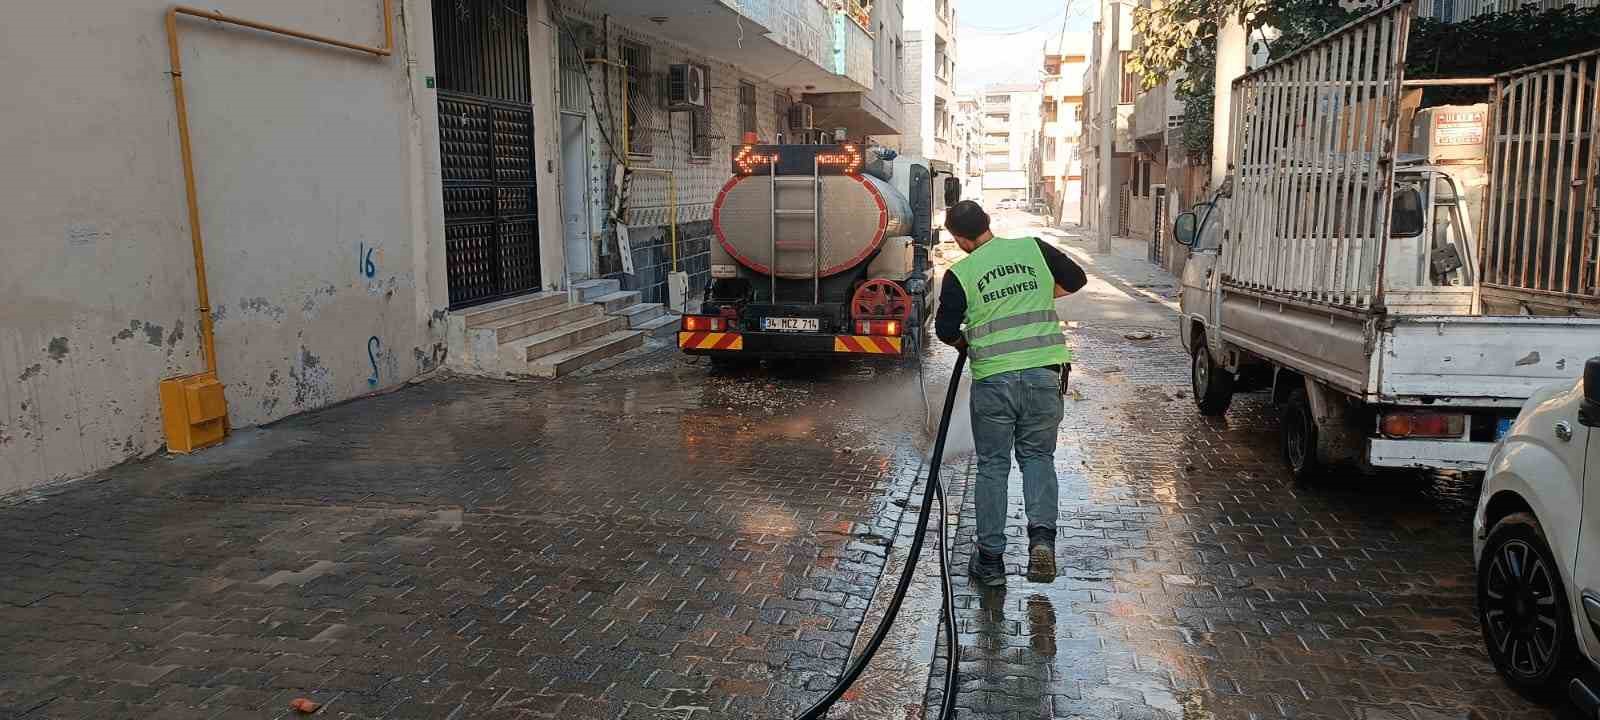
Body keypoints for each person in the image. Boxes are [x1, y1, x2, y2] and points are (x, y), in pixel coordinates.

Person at [935, 200, 1086, 586]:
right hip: (1043, 375)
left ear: (960, 239)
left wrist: (964, 341)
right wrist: (1035, 293)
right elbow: (1076, 278)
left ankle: (990, 561)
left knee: (993, 467)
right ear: (987, 223)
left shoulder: (961, 272)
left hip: (994, 382)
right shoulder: (1033, 247)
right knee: (1038, 457)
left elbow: (945, 329)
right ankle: (1041, 544)